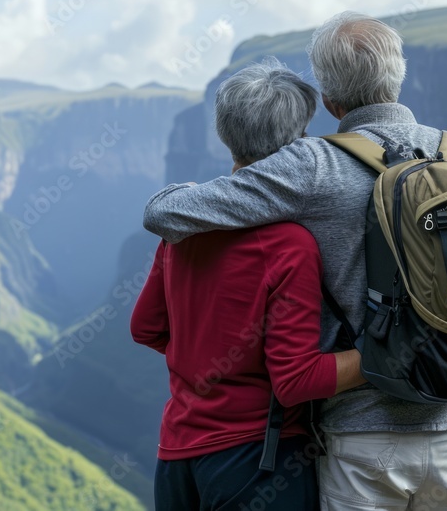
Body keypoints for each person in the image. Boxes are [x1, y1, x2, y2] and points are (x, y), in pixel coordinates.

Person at [143, 12, 447, 511]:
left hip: (363, 439)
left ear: (328, 100)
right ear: (399, 77)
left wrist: (190, 189)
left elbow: (164, 214)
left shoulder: (313, 165)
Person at [131, 60, 367, 511]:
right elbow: (297, 380)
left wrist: (211, 362)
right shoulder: (290, 245)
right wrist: (388, 354)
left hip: (177, 457)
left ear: (224, 133)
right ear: (298, 142)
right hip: (257, 462)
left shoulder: (182, 230)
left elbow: (146, 328)